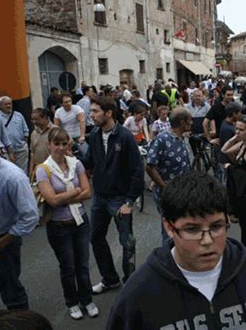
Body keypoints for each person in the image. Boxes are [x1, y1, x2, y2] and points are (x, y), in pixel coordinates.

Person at [107, 171, 246, 330]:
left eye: (216, 226)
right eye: (192, 230)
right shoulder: (140, 291)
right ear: (169, 228)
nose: (207, 241)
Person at [35, 128, 98, 320]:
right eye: (57, 144)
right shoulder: (42, 169)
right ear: (49, 145)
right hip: (58, 226)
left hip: (80, 222)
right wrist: (74, 191)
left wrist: (65, 196)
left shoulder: (75, 164)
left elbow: (88, 192)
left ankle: (87, 299)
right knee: (68, 267)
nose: (61, 148)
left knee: (83, 265)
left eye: (64, 144)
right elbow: (52, 201)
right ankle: (72, 302)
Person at [84, 96, 144, 293]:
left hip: (120, 199)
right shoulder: (94, 134)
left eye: (95, 111)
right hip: (99, 198)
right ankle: (110, 279)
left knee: (127, 242)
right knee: (96, 238)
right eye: (91, 111)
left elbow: (137, 171)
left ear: (108, 113)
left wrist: (129, 201)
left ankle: (131, 282)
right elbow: (89, 162)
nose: (90, 115)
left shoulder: (125, 137)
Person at [0, 140, 39, 310]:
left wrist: (1, 243)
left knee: (10, 289)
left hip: (4, 239)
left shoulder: (13, 177)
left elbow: (30, 216)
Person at [146, 108, 192, 241]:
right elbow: (150, 166)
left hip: (182, 192)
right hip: (167, 194)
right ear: (182, 123)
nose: (191, 124)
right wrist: (164, 187)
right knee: (169, 230)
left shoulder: (182, 138)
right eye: (189, 122)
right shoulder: (162, 140)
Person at [222, 115, 246, 256]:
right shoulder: (244, 142)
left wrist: (232, 169)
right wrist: (235, 138)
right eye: (236, 128)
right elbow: (225, 151)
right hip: (242, 193)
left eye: (241, 129)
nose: (237, 132)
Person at [0, 96, 29, 173]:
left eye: (10, 104)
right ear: (0, 106)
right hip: (6, 152)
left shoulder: (18, 115)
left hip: (21, 150)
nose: (8, 106)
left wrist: (24, 143)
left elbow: (26, 131)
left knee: (22, 172)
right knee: (10, 172)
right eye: (6, 104)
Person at [29, 108, 56, 178]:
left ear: (45, 118)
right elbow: (32, 153)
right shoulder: (34, 133)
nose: (34, 122)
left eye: (36, 119)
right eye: (32, 119)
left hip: (54, 169)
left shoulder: (55, 130)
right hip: (40, 170)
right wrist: (31, 170)